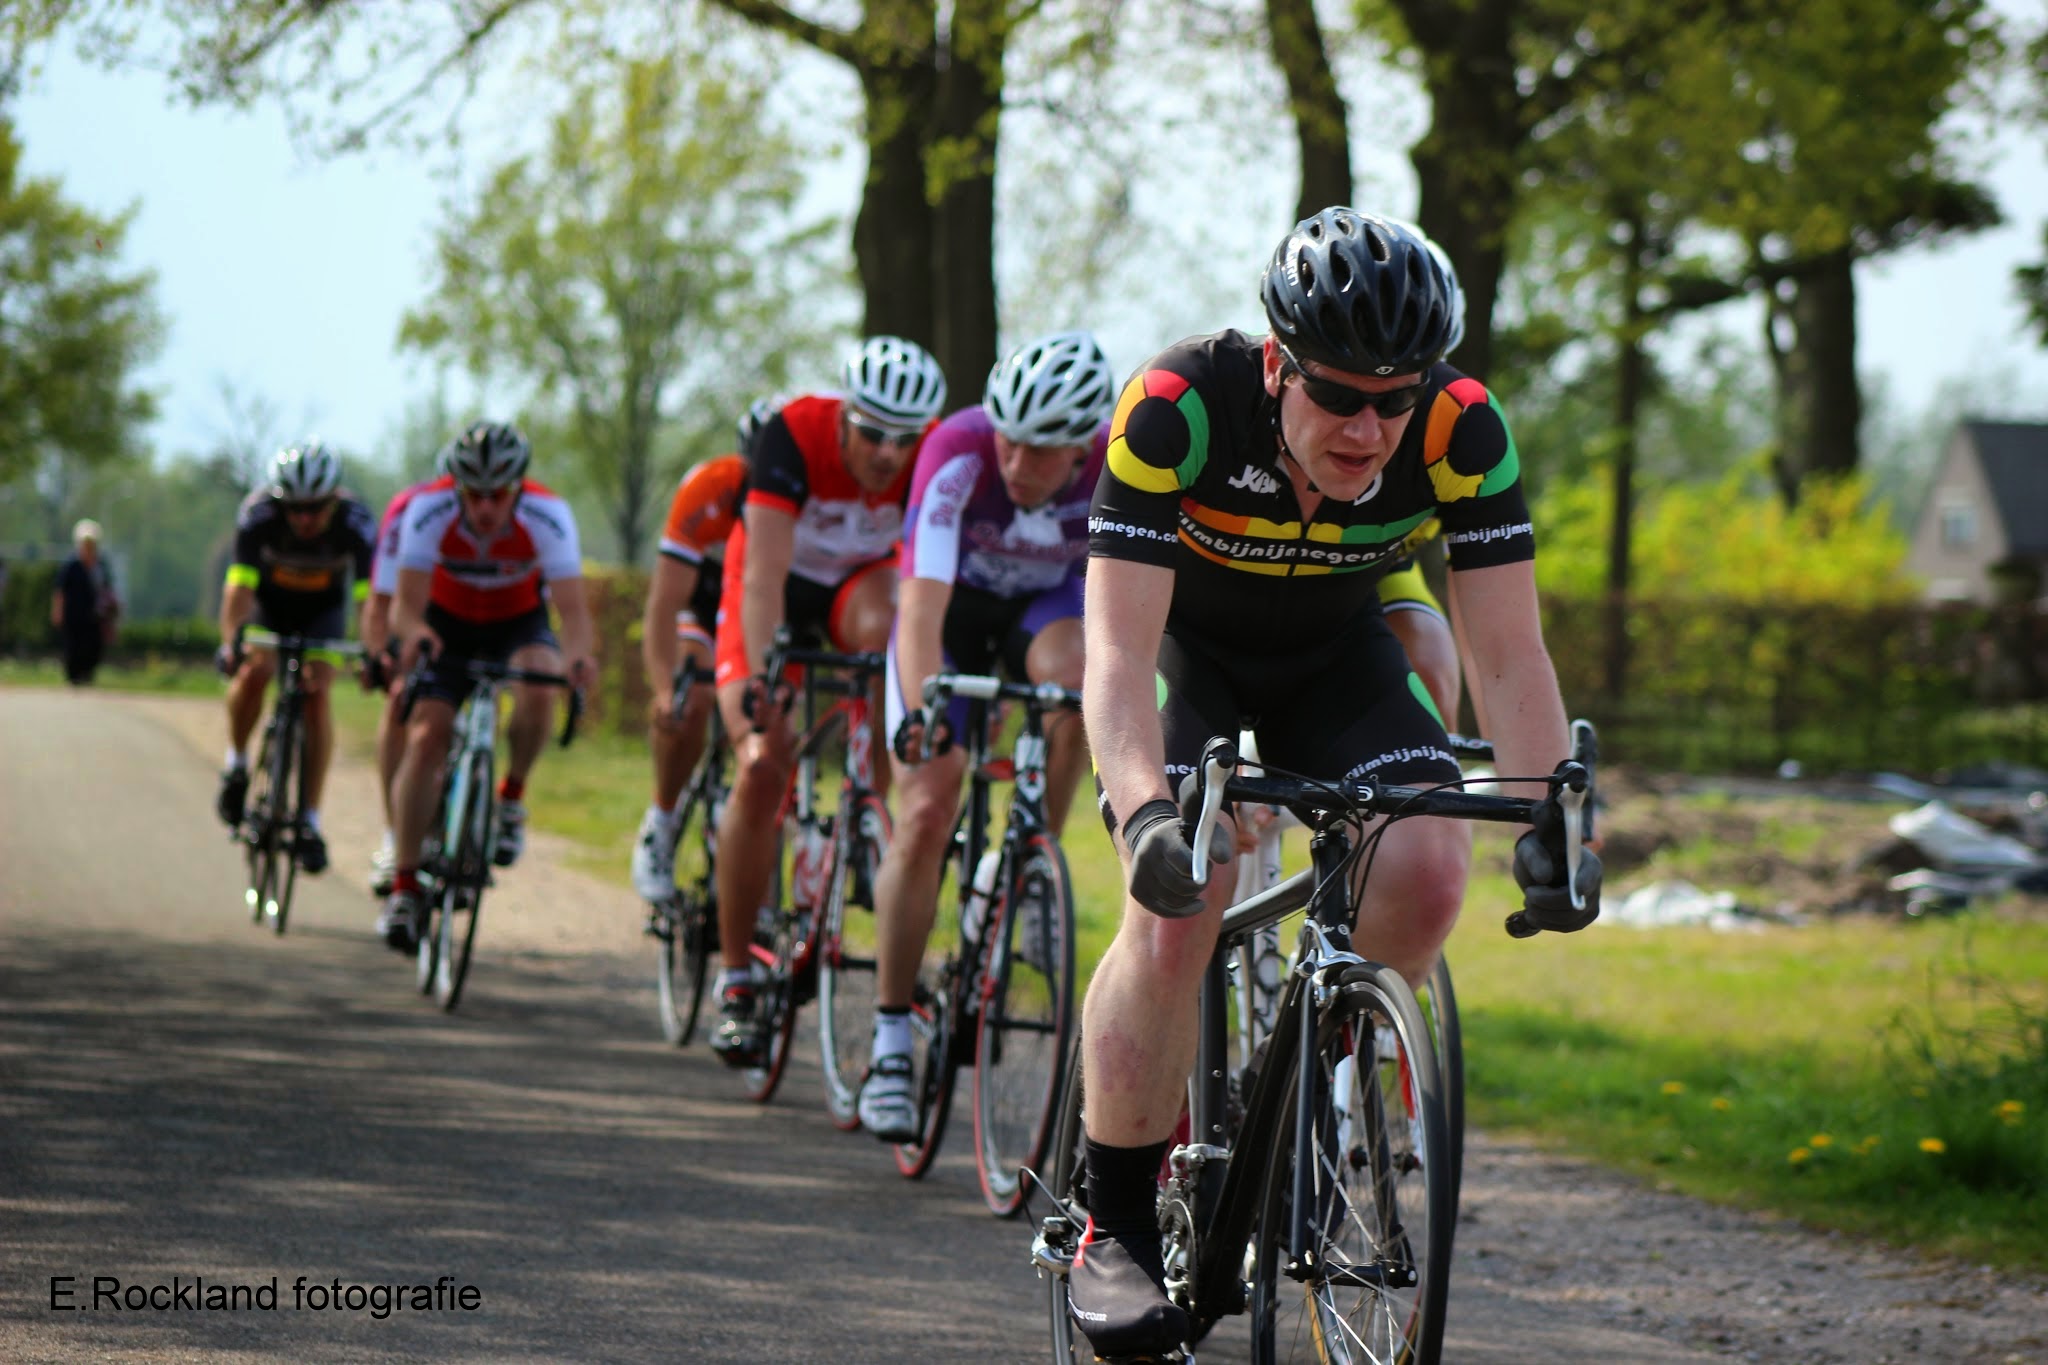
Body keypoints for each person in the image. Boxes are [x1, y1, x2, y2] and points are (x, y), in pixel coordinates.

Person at [1069, 209, 1602, 1357]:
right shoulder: (1176, 409)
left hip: (1333, 653)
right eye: (1338, 394)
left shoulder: (1461, 429)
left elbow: (1509, 655)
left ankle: (1310, 1086)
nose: (1368, 426)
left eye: (1392, 398)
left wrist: (1551, 814)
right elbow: (1111, 656)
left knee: (1423, 868)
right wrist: (1141, 815)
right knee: (1178, 912)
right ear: (1275, 364)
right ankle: (1106, 1222)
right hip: (1187, 656)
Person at [853, 330, 1114, 1140]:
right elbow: (920, 608)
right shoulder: (957, 450)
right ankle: (892, 1037)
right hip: (953, 617)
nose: (1016, 462)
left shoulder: (1116, 464)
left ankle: (1030, 855)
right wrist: (926, 711)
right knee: (928, 807)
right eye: (1008, 435)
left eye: (1040, 451)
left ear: (1081, 447)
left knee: (1081, 682)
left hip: (1043, 615)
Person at [709, 337, 948, 1066]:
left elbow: (923, 585)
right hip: (773, 586)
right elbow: (764, 575)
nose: (887, 452)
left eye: (904, 440)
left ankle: (864, 800)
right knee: (759, 763)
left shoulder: (930, 455)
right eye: (872, 432)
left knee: (889, 631)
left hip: (855, 588)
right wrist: (761, 678)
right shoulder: (795, 433)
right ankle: (736, 977)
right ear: (845, 415)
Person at [378, 421, 596, 951]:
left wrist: (578, 659)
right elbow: (404, 606)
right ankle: (404, 882)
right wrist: (416, 634)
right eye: (473, 495)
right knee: (427, 735)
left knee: (541, 679)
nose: (484, 509)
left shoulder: (549, 514)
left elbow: (572, 611)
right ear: (456, 487)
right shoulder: (428, 511)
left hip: (515, 621)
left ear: (518, 489)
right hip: (446, 623)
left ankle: (512, 795)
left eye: (497, 496)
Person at [628, 400, 777, 903]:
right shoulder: (709, 490)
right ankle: (664, 819)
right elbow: (665, 601)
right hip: (703, 607)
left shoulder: (814, 504)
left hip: (760, 608)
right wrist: (666, 688)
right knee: (689, 702)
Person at [213, 445, 378, 876]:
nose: (305, 519)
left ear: (334, 499)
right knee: (255, 671)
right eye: (296, 509)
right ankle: (236, 765)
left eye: (316, 509)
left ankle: (309, 820)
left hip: (323, 612)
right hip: (270, 606)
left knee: (316, 694)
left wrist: (372, 651)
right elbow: (239, 589)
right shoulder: (258, 515)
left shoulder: (355, 522)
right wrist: (232, 642)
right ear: (280, 501)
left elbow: (369, 600)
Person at [359, 456, 455, 896]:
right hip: (414, 614)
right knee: (400, 701)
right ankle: (394, 833)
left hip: (473, 614)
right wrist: (380, 656)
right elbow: (381, 600)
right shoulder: (410, 511)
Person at [52, 519, 119, 685]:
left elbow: (108, 589)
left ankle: (88, 674)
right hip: (73, 614)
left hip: (94, 615)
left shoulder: (101, 566)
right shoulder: (71, 565)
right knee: (74, 646)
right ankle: (73, 677)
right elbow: (60, 590)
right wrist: (57, 610)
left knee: (93, 646)